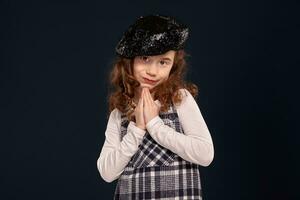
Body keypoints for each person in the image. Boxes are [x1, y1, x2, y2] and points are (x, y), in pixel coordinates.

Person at [97, 14, 214, 200]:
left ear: (173, 66)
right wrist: (136, 130)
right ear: (130, 61)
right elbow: (107, 172)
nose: (153, 71)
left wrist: (155, 125)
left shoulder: (180, 100)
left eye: (163, 62)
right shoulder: (119, 114)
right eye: (145, 58)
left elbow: (205, 154)